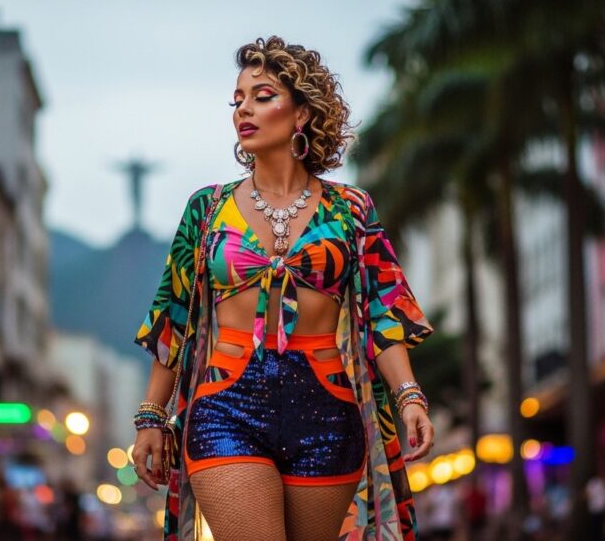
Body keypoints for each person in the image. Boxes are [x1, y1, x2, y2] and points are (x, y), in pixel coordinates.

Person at [130, 36, 436, 541]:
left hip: (327, 407)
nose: (243, 109)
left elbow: (385, 311)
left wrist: (409, 397)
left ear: (301, 115)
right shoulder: (206, 209)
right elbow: (174, 318)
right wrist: (151, 417)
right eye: (238, 100)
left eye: (262, 95)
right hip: (226, 404)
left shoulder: (351, 209)